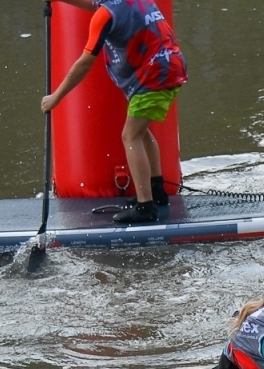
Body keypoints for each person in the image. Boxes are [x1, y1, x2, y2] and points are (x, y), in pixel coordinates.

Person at [41, 0, 188, 224]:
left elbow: (84, 63)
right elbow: (97, 7)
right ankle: (156, 191)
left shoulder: (104, 15)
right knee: (141, 131)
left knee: (131, 136)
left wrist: (56, 97)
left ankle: (145, 206)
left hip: (155, 74)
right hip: (170, 65)